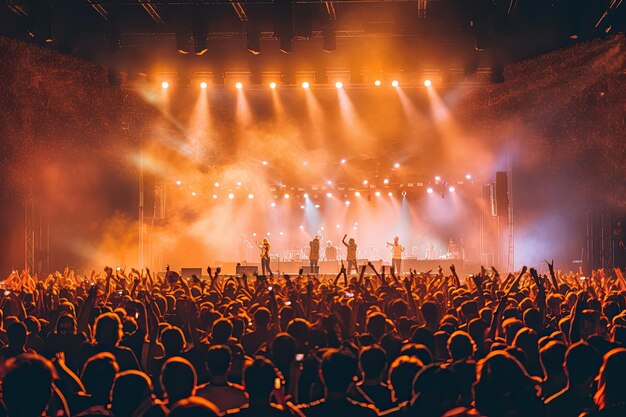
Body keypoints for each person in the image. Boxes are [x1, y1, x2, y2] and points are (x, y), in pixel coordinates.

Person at [298, 348, 378, 417]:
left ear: (321, 376)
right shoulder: (366, 413)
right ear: (352, 381)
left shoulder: (304, 413)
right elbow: (374, 409)